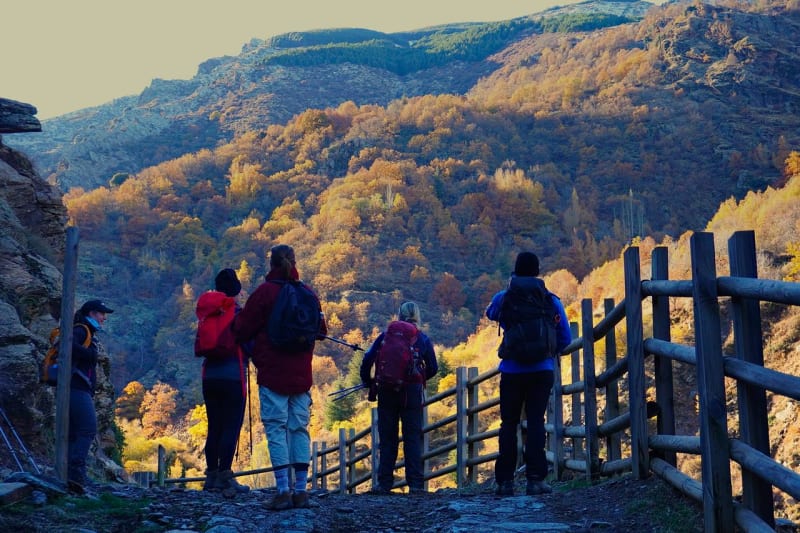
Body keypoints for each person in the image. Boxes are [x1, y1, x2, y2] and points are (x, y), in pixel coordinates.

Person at [232, 244, 327, 511]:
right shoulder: (308, 293)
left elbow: (242, 329)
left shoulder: (264, 293)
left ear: (271, 264)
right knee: (299, 429)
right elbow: (321, 331)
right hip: (301, 375)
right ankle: (301, 491)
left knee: (276, 429)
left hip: (272, 373)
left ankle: (283, 491)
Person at [485, 252, 571, 497]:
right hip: (542, 371)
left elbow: (490, 313)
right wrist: (548, 353)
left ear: (515, 270)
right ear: (537, 271)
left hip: (512, 370)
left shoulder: (504, 298)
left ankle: (504, 482)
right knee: (536, 423)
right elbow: (565, 337)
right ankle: (536, 480)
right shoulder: (551, 300)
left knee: (508, 424)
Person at [359, 301, 438, 494]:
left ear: (399, 315)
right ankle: (416, 485)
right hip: (411, 394)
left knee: (388, 438)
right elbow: (434, 367)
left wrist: (369, 382)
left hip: (387, 390)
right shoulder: (422, 339)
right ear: (417, 316)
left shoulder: (386, 336)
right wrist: (417, 379)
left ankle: (384, 484)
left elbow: (367, 360)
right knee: (412, 437)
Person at [201, 268, 250, 495]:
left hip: (209, 376)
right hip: (234, 375)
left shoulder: (209, 313)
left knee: (214, 425)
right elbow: (249, 346)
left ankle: (210, 476)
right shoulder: (239, 315)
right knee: (231, 425)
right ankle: (225, 475)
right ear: (237, 292)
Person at [68, 299, 114, 494]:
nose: (104, 318)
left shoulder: (86, 331)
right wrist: (91, 355)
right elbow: (67, 344)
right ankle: (76, 474)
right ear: (91, 313)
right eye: (101, 313)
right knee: (88, 429)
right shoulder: (81, 330)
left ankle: (71, 474)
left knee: (74, 432)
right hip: (76, 387)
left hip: (77, 388)